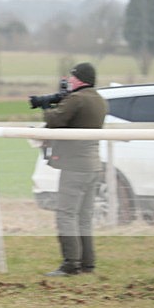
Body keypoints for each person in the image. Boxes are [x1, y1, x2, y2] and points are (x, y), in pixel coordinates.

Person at [41, 62, 109, 276]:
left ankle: (70, 264)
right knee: (84, 217)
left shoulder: (77, 99)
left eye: (72, 78)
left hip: (75, 167)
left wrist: (44, 105)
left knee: (66, 215)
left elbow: (55, 120)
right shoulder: (99, 100)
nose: (70, 81)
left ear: (80, 79)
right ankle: (87, 264)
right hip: (93, 166)